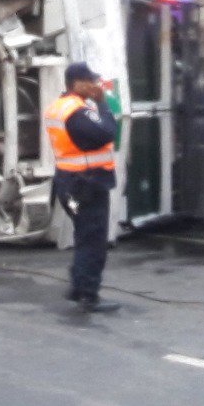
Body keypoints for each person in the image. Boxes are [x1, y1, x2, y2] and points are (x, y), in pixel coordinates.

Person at [44, 62, 121, 314]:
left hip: (69, 183)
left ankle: (78, 287)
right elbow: (107, 132)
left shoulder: (59, 107)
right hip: (87, 183)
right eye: (91, 81)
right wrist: (103, 104)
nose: (96, 86)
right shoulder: (76, 112)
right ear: (77, 84)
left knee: (83, 236)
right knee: (94, 241)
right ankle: (88, 294)